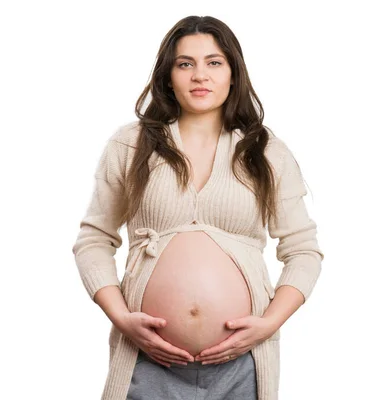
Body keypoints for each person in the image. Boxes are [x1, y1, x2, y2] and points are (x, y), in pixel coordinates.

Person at [72, 15, 324, 400]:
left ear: (233, 74)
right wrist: (121, 318)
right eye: (185, 63)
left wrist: (269, 324)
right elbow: (93, 240)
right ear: (168, 76)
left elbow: (303, 251)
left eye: (214, 62)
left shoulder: (266, 151)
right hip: (146, 363)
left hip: (242, 368)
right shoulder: (131, 145)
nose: (199, 75)